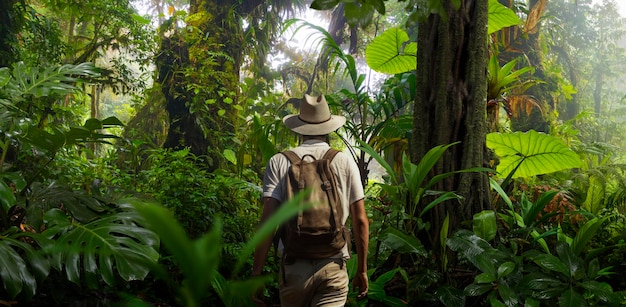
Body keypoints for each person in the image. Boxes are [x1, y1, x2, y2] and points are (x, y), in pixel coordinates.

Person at [252, 94, 369, 307]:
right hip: (333, 267)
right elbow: (360, 220)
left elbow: (268, 223)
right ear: (329, 128)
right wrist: (362, 270)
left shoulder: (279, 162)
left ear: (299, 128)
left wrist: (256, 273)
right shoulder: (344, 161)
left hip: (294, 268)